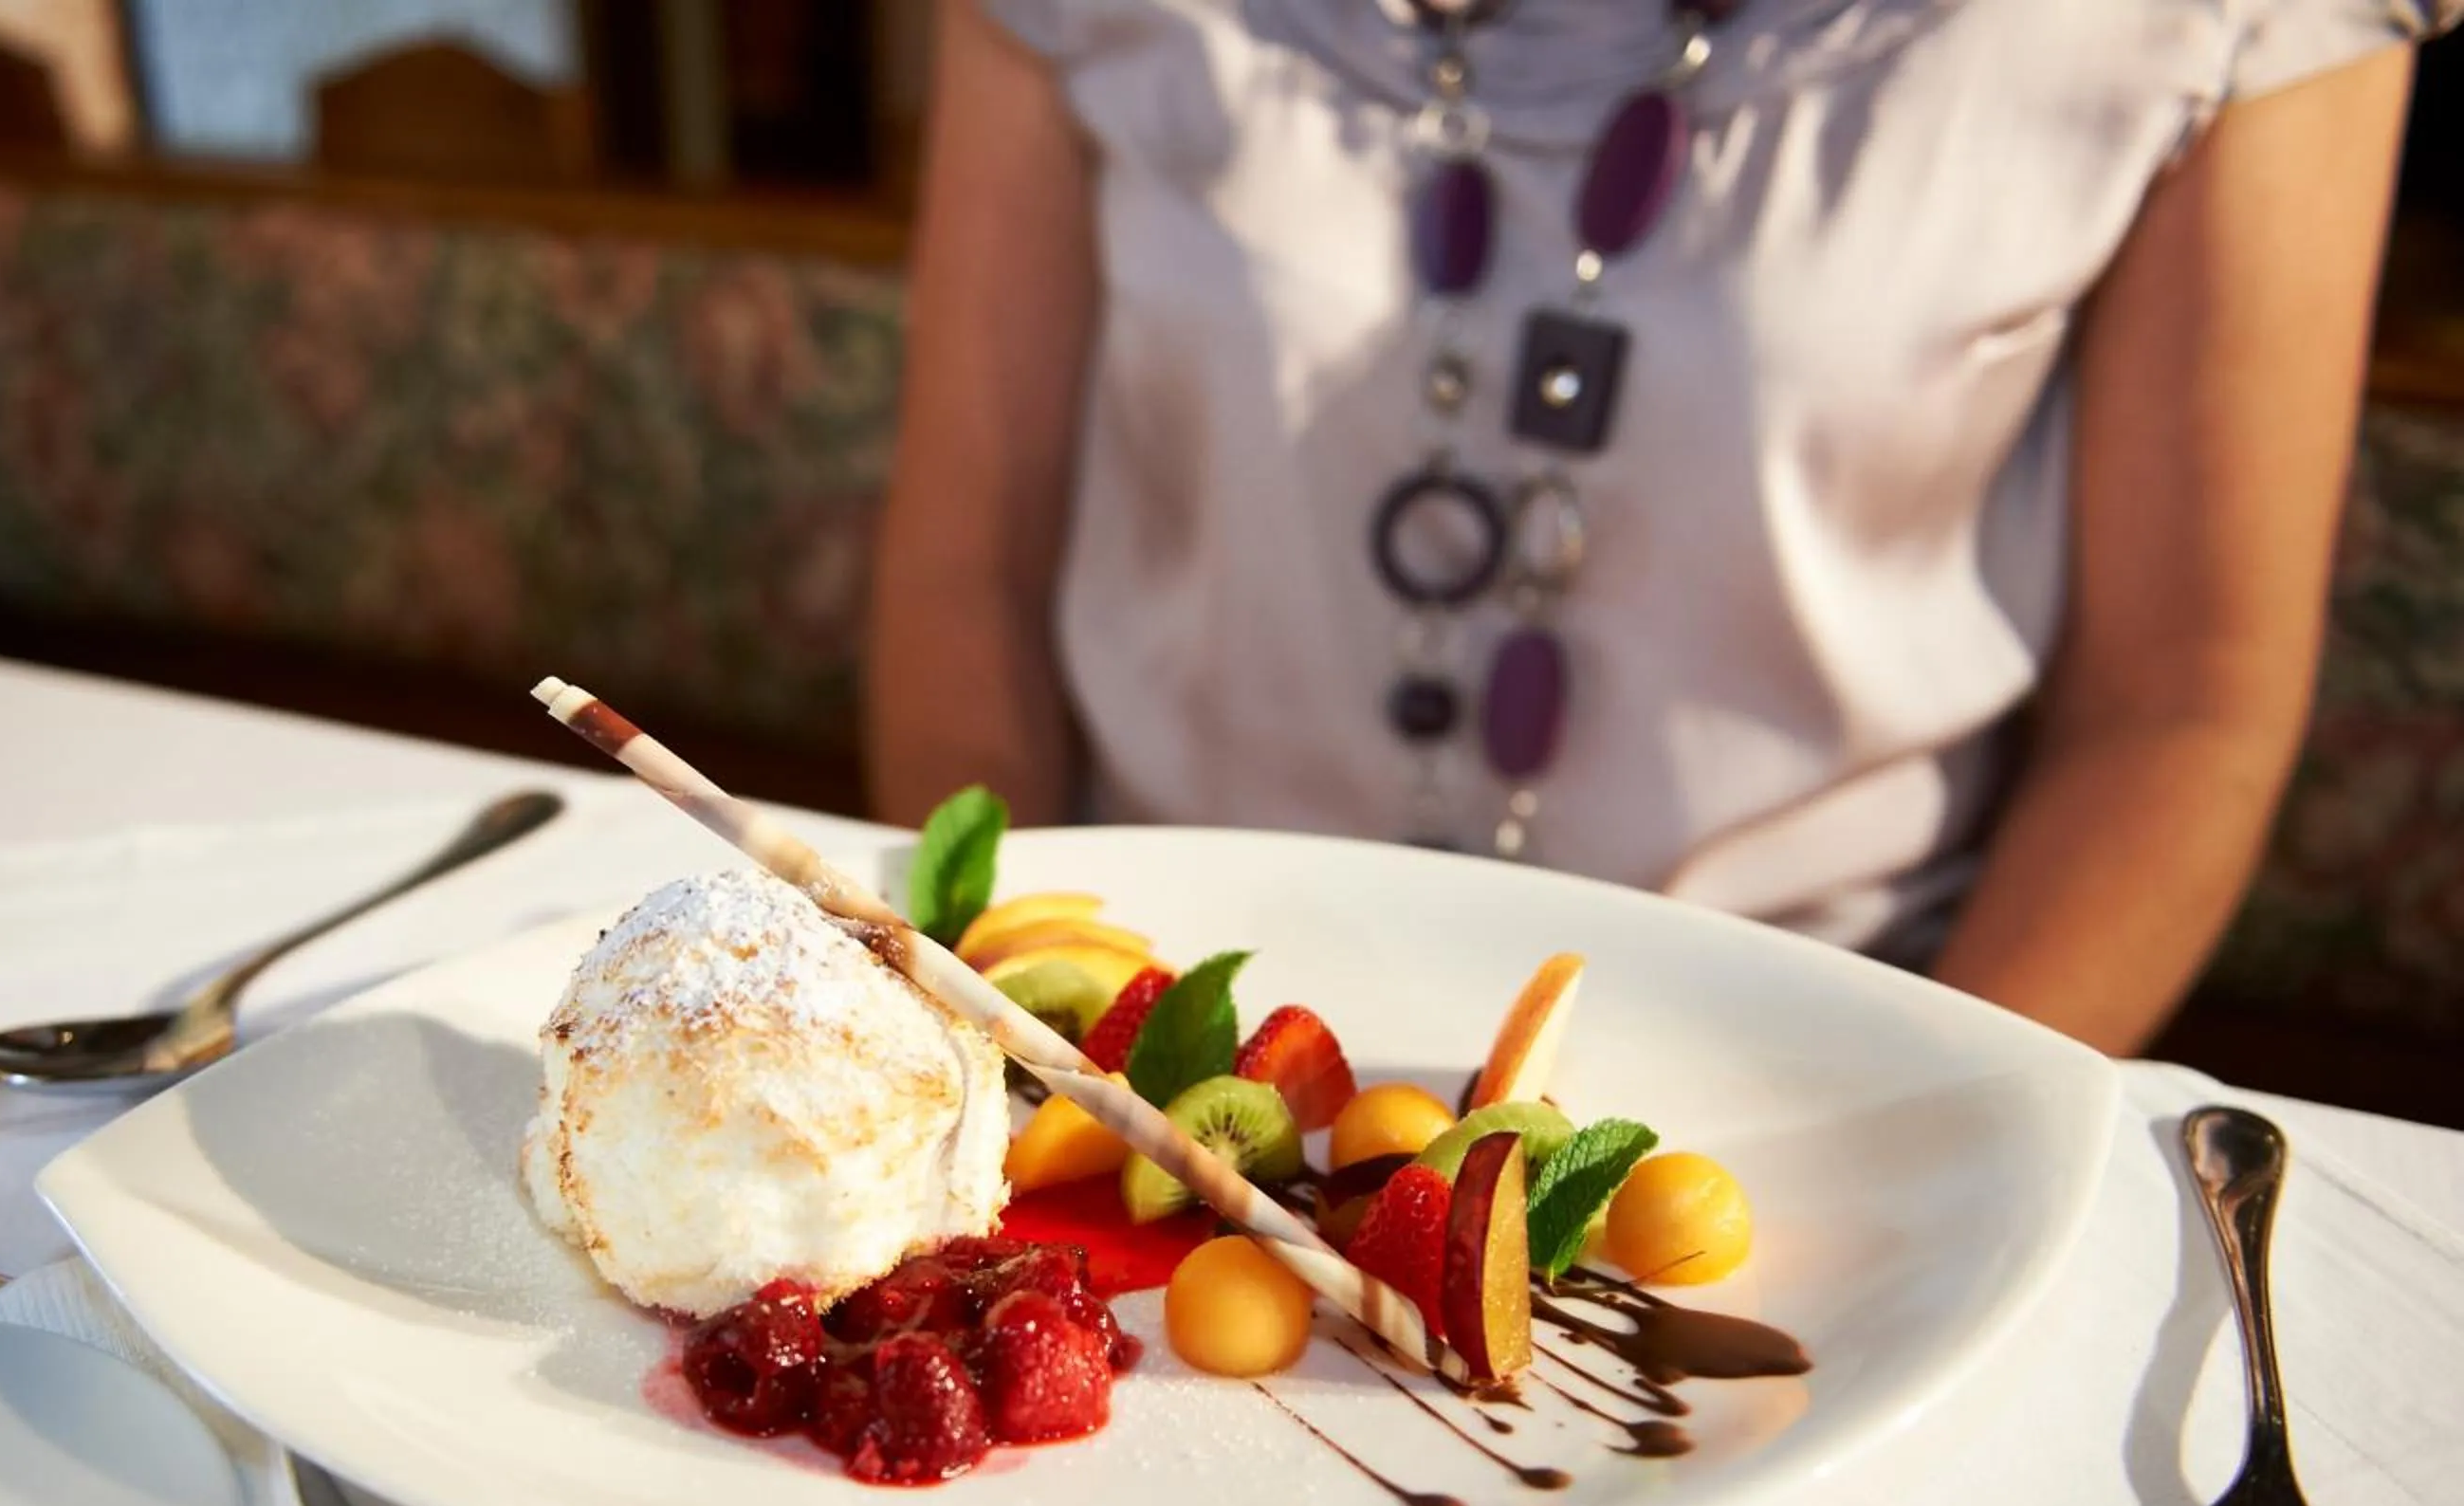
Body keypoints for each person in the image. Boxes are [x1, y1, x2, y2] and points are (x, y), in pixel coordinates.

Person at [863, 0, 2455, 1055]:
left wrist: (1917, 1149)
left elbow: (2184, 710)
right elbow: (964, 571)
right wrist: (1018, 1037)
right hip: (1157, 1040)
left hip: (1826, 1067)